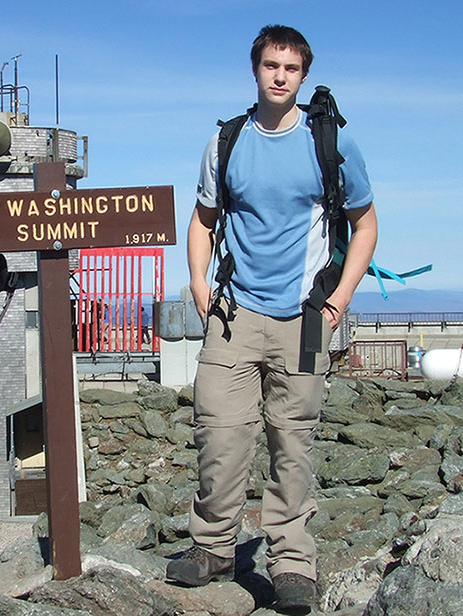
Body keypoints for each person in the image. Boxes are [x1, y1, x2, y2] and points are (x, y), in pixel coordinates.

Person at [166, 25, 378, 613]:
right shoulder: (226, 141)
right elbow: (203, 218)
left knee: (293, 441)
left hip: (306, 318)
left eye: (290, 68)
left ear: (302, 76)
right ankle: (212, 547)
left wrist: (339, 303)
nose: (279, 76)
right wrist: (198, 282)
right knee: (219, 433)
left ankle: (293, 564)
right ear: (254, 70)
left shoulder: (328, 142)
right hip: (234, 314)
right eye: (269, 65)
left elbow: (366, 224)